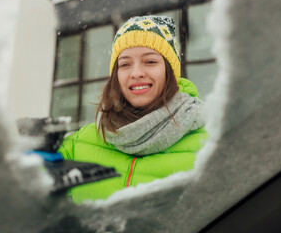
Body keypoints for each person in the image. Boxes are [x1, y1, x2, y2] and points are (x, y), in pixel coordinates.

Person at [58, 15, 207, 203]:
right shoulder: (77, 146)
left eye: (150, 61)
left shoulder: (210, 144)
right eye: (125, 64)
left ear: (169, 71)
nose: (136, 73)